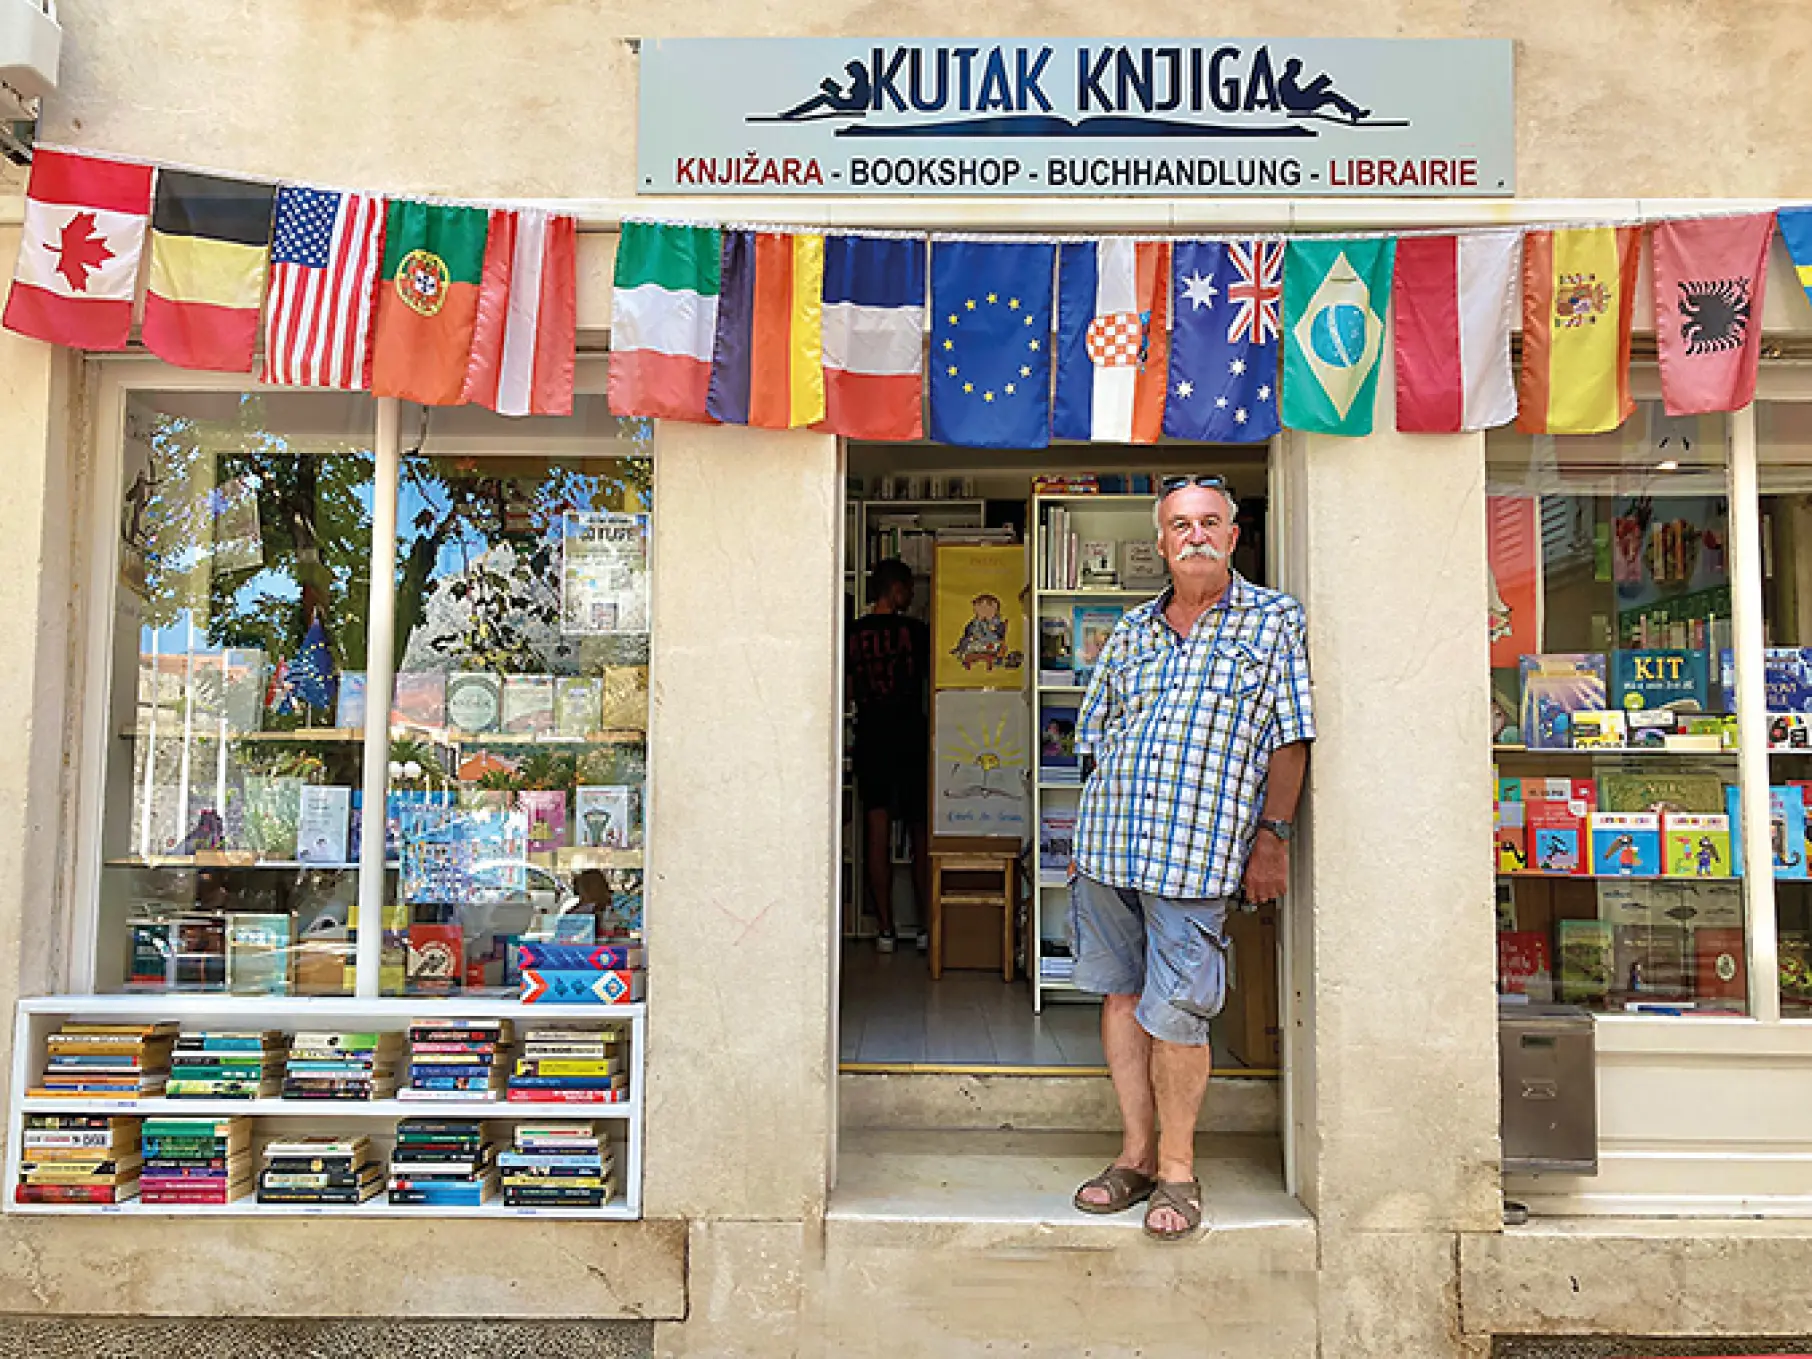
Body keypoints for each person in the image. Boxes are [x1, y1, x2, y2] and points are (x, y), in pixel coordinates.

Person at [1068, 477, 1313, 1241]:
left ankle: (1178, 1169)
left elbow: (1291, 736)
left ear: (1235, 537)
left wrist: (1273, 836)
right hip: (1110, 847)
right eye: (1181, 524)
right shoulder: (1133, 630)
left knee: (1178, 1012)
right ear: (1163, 541)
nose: (1196, 535)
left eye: (1210, 522)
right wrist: (1083, 837)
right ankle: (1134, 1155)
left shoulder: (1273, 622)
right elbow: (1092, 736)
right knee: (1119, 996)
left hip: (1198, 854)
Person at [846, 558, 932, 952]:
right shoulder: (915, 632)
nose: (911, 596)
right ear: (894, 590)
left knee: (876, 833)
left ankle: (884, 929)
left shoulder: (853, 634)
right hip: (911, 735)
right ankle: (926, 927)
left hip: (871, 736)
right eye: (908, 588)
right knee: (919, 832)